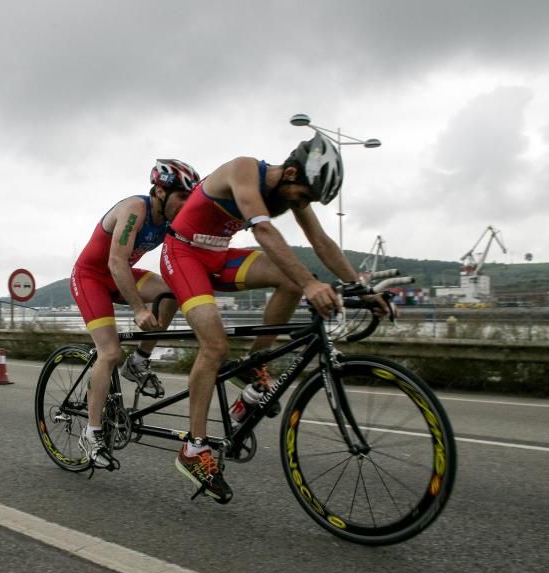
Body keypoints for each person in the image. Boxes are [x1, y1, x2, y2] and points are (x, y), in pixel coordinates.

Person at [160, 131, 388, 504]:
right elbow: (264, 231)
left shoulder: (293, 190)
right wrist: (312, 284)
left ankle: (255, 363)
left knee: (289, 279)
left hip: (217, 255)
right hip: (183, 254)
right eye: (304, 196)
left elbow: (322, 243)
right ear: (292, 173)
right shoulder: (244, 169)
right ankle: (193, 449)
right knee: (215, 346)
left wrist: (361, 288)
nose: (303, 204)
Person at [70, 158, 200, 469]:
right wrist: (139, 308)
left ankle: (139, 361)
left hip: (121, 274)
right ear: (158, 191)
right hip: (92, 277)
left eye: (189, 198)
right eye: (181, 197)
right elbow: (116, 262)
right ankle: (92, 432)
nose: (185, 205)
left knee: (172, 292)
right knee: (110, 352)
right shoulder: (135, 210)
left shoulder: (171, 220)